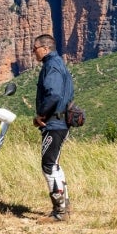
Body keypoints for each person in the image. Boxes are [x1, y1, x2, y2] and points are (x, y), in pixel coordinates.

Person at [32, 33, 73, 222]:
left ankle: (59, 212)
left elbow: (54, 94)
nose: (34, 53)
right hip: (60, 121)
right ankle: (65, 205)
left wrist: (41, 115)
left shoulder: (51, 65)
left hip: (55, 123)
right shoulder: (58, 64)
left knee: (48, 166)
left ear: (45, 48)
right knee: (54, 164)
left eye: (35, 49)